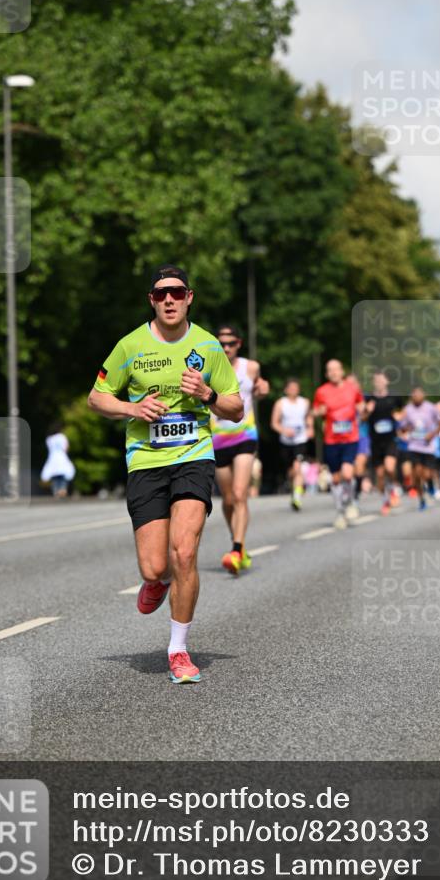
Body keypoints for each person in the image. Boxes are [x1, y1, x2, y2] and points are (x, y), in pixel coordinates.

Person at [87, 265, 241, 684]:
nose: (169, 300)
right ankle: (156, 582)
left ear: (189, 296)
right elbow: (97, 398)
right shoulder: (130, 345)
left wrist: (207, 394)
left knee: (185, 552)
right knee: (155, 567)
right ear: (151, 301)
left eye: (176, 292)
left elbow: (235, 407)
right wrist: (132, 409)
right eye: (160, 294)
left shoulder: (208, 347)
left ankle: (178, 649)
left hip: (194, 455)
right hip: (146, 461)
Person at [211, 325, 268, 575]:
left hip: (245, 435)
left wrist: (263, 390)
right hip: (217, 439)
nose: (226, 348)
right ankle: (238, 545)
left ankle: (236, 548)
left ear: (239, 344)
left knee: (239, 493)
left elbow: (260, 389)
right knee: (228, 499)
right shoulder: (209, 366)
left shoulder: (250, 367)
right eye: (221, 343)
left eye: (230, 343)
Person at [312, 360, 365, 529]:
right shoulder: (322, 391)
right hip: (331, 440)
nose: (334, 373)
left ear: (342, 371)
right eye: (330, 370)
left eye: (336, 369)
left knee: (348, 474)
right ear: (327, 374)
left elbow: (360, 404)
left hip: (350, 437)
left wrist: (364, 409)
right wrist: (319, 412)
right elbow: (315, 411)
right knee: (335, 479)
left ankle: (350, 503)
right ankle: (339, 512)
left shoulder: (352, 388)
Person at [270, 378, 313, 511]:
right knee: (291, 471)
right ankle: (295, 489)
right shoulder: (280, 403)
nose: (294, 390)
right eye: (291, 387)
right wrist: (284, 430)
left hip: (300, 440)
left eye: (296, 387)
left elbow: (308, 417)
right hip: (286, 442)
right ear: (286, 389)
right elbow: (274, 423)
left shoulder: (304, 402)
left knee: (297, 467)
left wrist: (310, 428)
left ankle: (297, 497)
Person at [364, 371, 402, 515]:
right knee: (379, 475)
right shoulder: (369, 399)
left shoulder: (394, 397)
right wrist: (368, 411)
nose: (379, 382)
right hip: (375, 441)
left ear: (387, 381)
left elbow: (402, 411)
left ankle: (394, 488)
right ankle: (385, 500)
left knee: (390, 468)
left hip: (390, 440)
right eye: (376, 380)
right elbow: (362, 419)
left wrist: (399, 417)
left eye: (381, 379)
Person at [398, 386, 440, 511]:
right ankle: (422, 498)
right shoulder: (408, 409)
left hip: (428, 446)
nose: (416, 396)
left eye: (419, 393)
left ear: (424, 395)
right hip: (414, 446)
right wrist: (406, 431)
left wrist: (432, 434)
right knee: (416, 473)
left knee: (427, 474)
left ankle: (430, 484)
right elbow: (402, 427)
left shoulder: (431, 408)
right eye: (414, 394)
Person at [40, 423, 75, 498]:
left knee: (54, 476)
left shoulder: (49, 439)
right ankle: (62, 489)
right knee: (63, 475)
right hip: (61, 457)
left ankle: (56, 491)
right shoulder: (62, 437)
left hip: (52, 458)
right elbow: (66, 448)